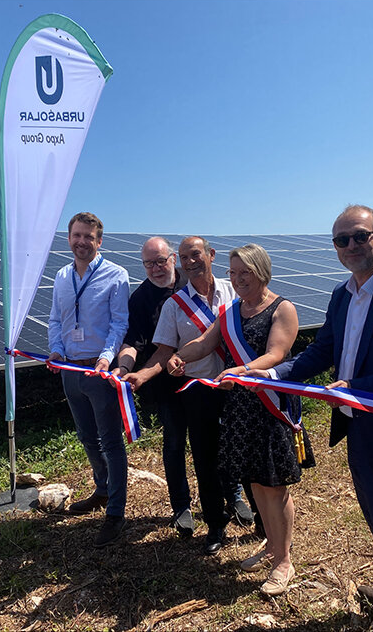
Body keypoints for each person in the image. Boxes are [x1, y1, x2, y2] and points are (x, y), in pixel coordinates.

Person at [251, 205, 373, 631]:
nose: (351, 246)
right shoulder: (342, 295)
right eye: (342, 239)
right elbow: (323, 351)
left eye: (360, 236)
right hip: (359, 428)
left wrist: (358, 388)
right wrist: (275, 374)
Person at [168, 243, 303, 595]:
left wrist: (242, 369)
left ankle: (284, 561)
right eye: (233, 273)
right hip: (241, 409)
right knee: (256, 482)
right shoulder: (230, 312)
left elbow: (276, 353)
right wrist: (180, 357)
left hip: (269, 405)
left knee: (275, 485)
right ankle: (273, 546)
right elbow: (203, 342)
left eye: (245, 272)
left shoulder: (281, 308)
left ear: (261, 271)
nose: (238, 279)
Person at [116, 236, 252, 555]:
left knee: (242, 448)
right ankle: (211, 521)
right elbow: (161, 351)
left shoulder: (234, 290)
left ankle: (249, 507)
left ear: (210, 255)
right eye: (150, 263)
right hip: (193, 389)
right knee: (198, 455)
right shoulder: (165, 304)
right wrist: (139, 373)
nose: (190, 262)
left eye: (196, 255)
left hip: (236, 386)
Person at [47, 212, 130, 548]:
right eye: (76, 235)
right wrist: (54, 350)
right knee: (86, 436)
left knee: (110, 441)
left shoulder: (116, 275)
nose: (82, 242)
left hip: (100, 371)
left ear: (99, 241)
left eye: (89, 237)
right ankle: (102, 487)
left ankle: (115, 511)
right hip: (70, 370)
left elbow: (119, 324)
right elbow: (55, 319)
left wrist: (107, 357)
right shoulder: (62, 277)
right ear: (69, 238)